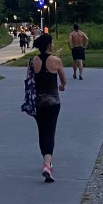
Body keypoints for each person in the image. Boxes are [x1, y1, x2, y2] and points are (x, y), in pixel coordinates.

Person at [30, 31, 66, 182]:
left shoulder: (33, 61)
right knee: (50, 132)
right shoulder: (56, 60)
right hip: (53, 102)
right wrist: (62, 86)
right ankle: (47, 164)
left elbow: (29, 81)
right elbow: (63, 80)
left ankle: (46, 161)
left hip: (38, 103)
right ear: (49, 45)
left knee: (42, 132)